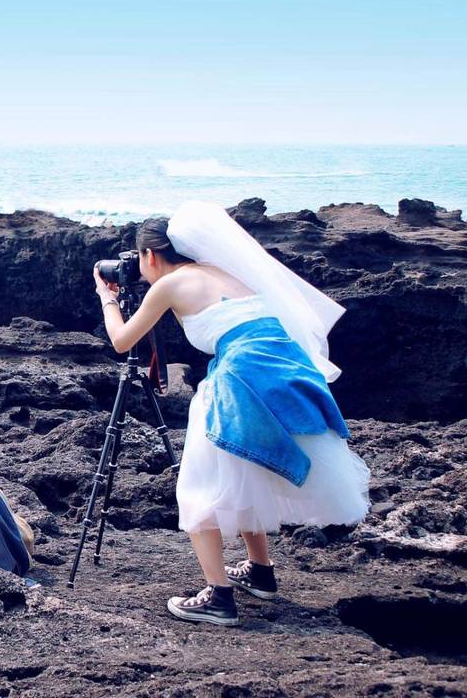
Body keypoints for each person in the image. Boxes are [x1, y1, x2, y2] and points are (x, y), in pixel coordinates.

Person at [93, 201, 370, 627]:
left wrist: (107, 300)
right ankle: (260, 572)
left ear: (149, 256)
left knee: (200, 485)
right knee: (240, 473)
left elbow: (123, 341)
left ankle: (218, 598)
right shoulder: (225, 271)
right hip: (285, 368)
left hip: (241, 377)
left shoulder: (169, 284)